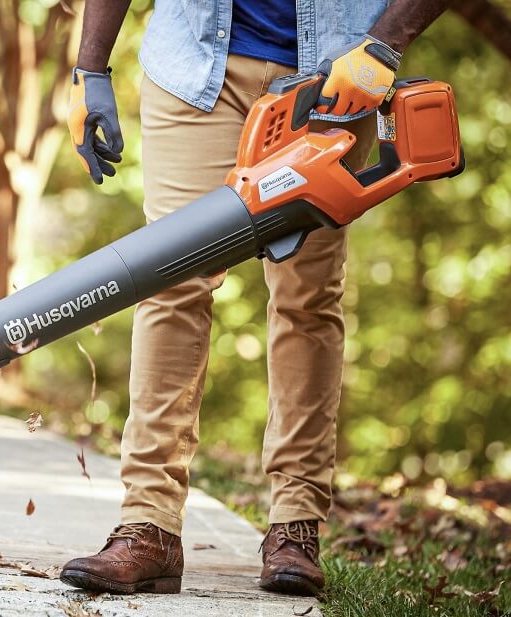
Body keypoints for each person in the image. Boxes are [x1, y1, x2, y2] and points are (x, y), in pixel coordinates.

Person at [61, 0, 451, 597]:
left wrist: (384, 44)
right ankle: (149, 525)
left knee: (307, 298)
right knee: (171, 285)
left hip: (337, 77)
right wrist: (90, 69)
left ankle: (296, 526)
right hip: (195, 71)